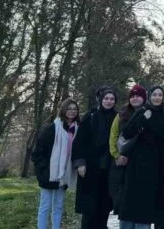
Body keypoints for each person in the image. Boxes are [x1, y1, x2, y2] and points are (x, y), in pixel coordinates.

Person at [118, 86, 164, 229]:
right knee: (132, 200)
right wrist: (142, 119)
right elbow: (127, 132)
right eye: (154, 94)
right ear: (149, 96)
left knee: (148, 203)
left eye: (160, 95)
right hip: (137, 163)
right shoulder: (142, 111)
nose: (157, 97)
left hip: (156, 164)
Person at [73, 87, 118, 229]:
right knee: (89, 209)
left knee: (104, 208)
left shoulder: (118, 117)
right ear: (101, 99)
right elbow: (79, 142)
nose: (109, 101)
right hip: (90, 168)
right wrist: (80, 163)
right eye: (106, 98)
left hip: (109, 168)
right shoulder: (90, 116)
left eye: (112, 99)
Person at [32, 98, 80, 229]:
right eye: (69, 108)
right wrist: (44, 170)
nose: (72, 111)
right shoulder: (51, 128)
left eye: (74, 109)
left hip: (64, 174)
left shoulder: (77, 130)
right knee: (45, 206)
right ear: (63, 110)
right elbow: (37, 153)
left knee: (58, 205)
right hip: (49, 173)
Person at [109, 85, 147, 216]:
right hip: (123, 161)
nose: (135, 98)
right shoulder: (122, 114)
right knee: (122, 198)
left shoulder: (149, 112)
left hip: (141, 161)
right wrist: (116, 155)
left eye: (138, 96)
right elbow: (113, 136)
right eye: (133, 96)